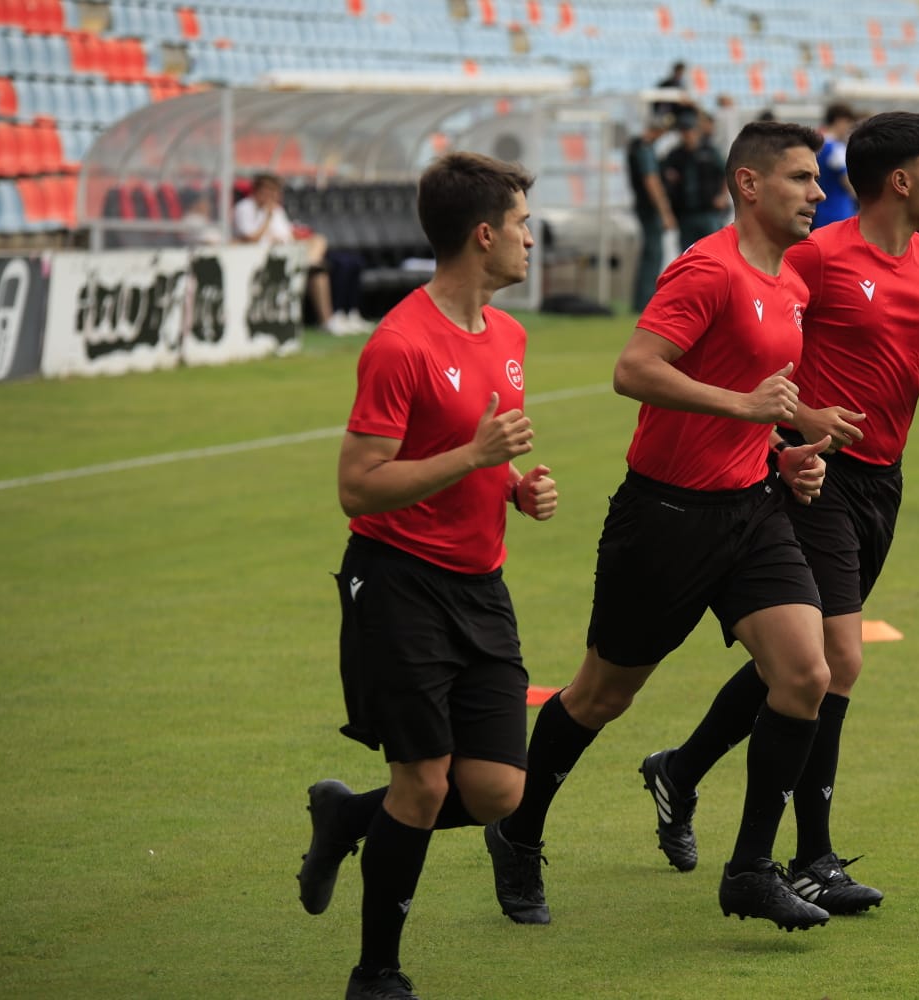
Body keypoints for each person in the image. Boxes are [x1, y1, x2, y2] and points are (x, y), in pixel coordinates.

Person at [484, 121, 838, 933]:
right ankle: (519, 828)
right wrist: (746, 408)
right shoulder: (705, 268)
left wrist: (782, 451)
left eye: (817, 179)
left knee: (806, 675)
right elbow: (633, 370)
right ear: (748, 185)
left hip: (752, 510)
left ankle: (749, 869)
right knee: (602, 696)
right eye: (799, 178)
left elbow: (760, 401)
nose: (817, 193)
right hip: (666, 520)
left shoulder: (791, 285)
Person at [637, 111, 919, 914]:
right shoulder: (816, 256)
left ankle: (681, 769)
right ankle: (808, 856)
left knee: (803, 666)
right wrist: (797, 421)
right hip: (813, 476)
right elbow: (759, 335)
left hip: (881, 482)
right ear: (900, 180)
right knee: (835, 661)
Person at [295, 152, 559, 1000]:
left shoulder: (510, 335)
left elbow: (489, 446)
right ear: (483, 235)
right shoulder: (400, 344)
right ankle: (376, 972)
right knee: (424, 780)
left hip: (481, 584)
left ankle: (347, 815)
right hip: (398, 582)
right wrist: (472, 456)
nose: (530, 236)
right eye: (521, 223)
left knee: (493, 790)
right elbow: (357, 485)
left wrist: (516, 483)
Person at [233, 172, 370, 335]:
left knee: (344, 259)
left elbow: (287, 235)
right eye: (269, 191)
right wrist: (268, 219)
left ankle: (345, 313)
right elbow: (252, 239)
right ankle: (326, 312)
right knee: (322, 270)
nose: (272, 196)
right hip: (261, 258)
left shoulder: (276, 210)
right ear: (258, 190)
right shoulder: (244, 209)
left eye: (274, 192)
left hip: (287, 252)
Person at [627, 115, 679, 313]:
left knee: (651, 254)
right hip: (649, 210)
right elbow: (652, 182)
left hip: (644, 208)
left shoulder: (637, 146)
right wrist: (665, 211)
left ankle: (642, 301)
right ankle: (644, 302)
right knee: (653, 255)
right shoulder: (645, 149)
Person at [661, 115, 729, 250]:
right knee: (688, 254)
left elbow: (726, 173)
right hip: (685, 214)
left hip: (708, 212)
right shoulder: (675, 155)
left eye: (690, 131)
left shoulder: (710, 152)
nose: (687, 135)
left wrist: (723, 196)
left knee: (713, 251)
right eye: (684, 132)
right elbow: (663, 177)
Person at [813, 102, 858, 228]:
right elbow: (848, 183)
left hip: (820, 211)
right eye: (848, 123)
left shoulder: (817, 146)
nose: (849, 128)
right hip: (839, 212)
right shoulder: (836, 149)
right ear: (840, 120)